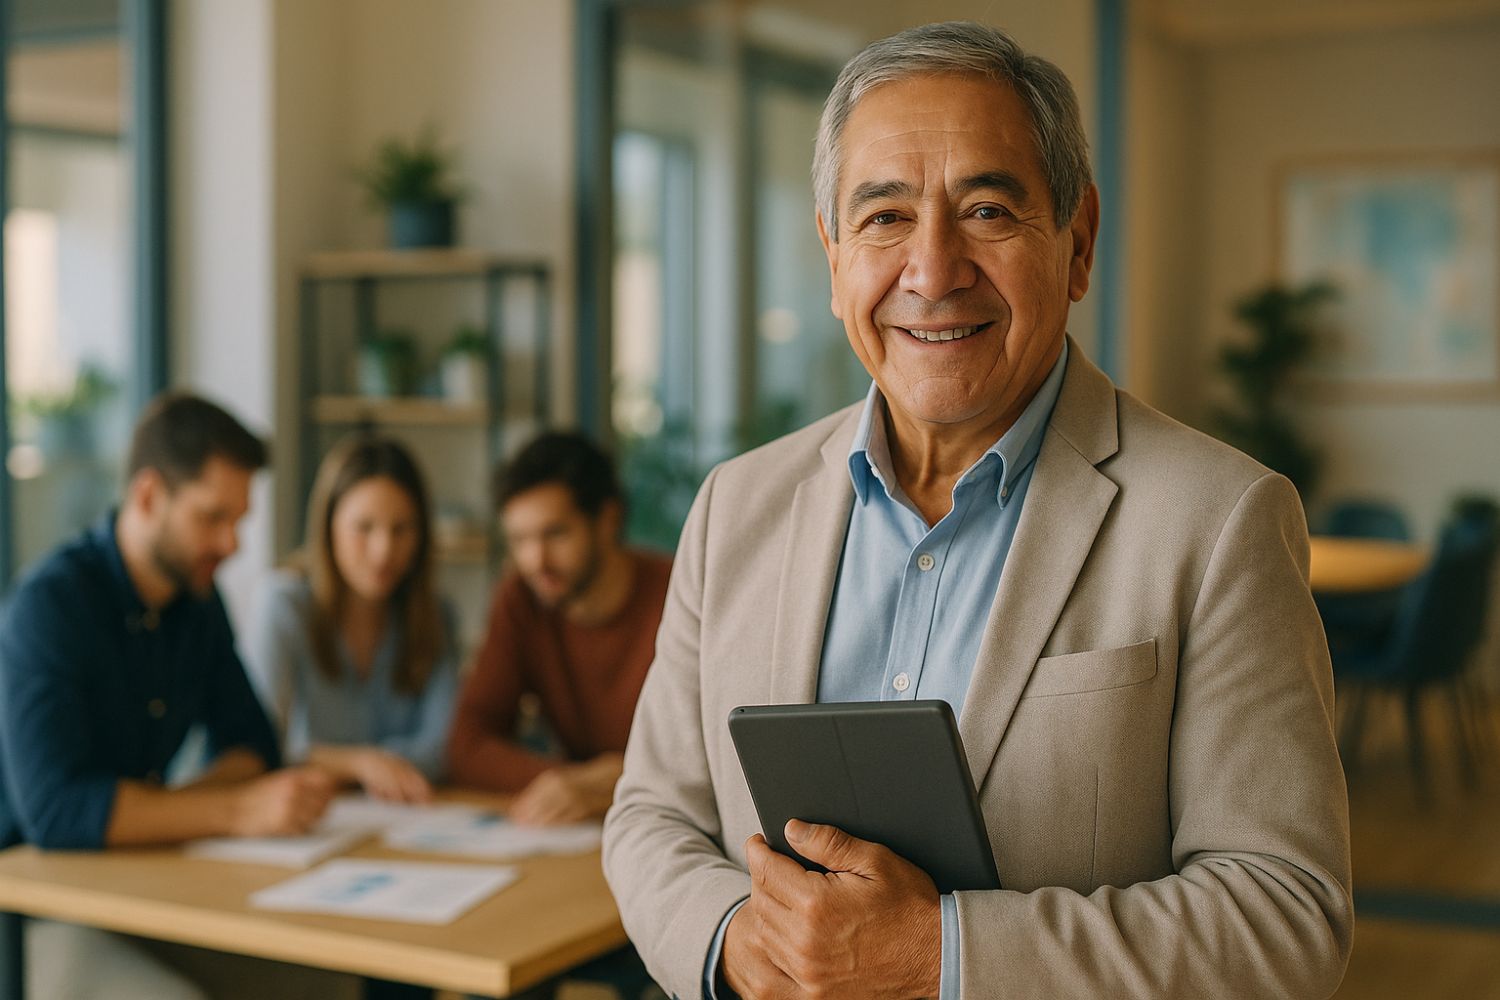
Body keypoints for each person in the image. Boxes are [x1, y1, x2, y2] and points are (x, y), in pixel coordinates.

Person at [601, 21, 1352, 1000]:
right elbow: (652, 814)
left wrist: (943, 954)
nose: (932, 269)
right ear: (833, 258)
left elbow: (1284, 913)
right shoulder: (736, 505)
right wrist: (736, 938)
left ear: (1077, 244)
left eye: (989, 210)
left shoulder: (1218, 520)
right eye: (883, 218)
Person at [0, 392, 349, 999]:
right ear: (147, 496)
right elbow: (58, 813)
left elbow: (252, 746)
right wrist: (236, 810)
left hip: (136, 886)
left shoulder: (196, 603)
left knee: (326, 986)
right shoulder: (50, 607)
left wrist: (155, 810)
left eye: (239, 520)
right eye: (213, 518)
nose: (232, 544)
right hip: (34, 910)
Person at [446, 431, 672, 826]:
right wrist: (572, 782)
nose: (536, 560)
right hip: (582, 828)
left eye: (555, 534)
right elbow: (466, 744)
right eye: (519, 539)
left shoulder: (678, 595)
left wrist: (623, 778)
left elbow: (720, 753)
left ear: (608, 520)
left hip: (669, 825)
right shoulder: (521, 599)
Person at [246, 434, 459, 803]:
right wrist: (360, 764)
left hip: (401, 820)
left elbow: (444, 749)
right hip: (307, 821)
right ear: (329, 528)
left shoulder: (437, 615)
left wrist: (327, 764)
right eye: (364, 528)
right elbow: (257, 750)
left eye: (401, 529)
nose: (383, 552)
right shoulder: (282, 605)